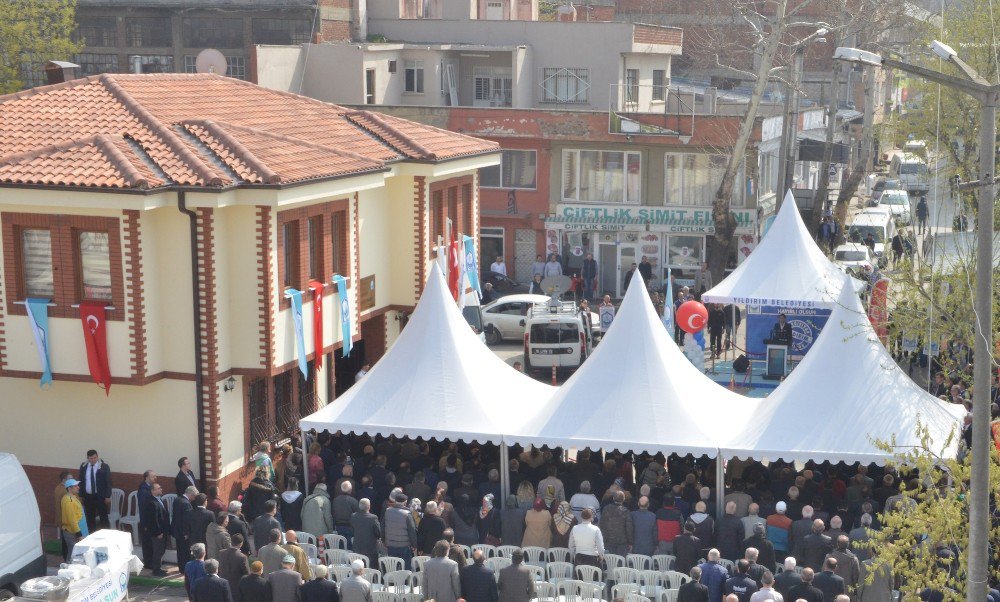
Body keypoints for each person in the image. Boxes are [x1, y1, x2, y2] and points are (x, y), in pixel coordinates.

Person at [79, 449, 112, 533]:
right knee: (90, 517)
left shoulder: (104, 466)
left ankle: (106, 535)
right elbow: (81, 481)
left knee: (103, 517)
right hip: (88, 496)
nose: (93, 460)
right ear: (87, 458)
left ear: (97, 456)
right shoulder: (84, 466)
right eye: (91, 458)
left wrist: (107, 496)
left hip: (100, 496)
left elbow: (108, 482)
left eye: (95, 458)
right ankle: (91, 535)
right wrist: (81, 495)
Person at [140, 482, 170, 576]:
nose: (161, 489)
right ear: (152, 491)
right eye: (158, 488)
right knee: (158, 550)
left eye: (160, 488)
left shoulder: (159, 499)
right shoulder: (151, 503)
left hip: (163, 531)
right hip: (158, 533)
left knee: (161, 550)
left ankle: (158, 567)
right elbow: (153, 520)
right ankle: (156, 570)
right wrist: (158, 533)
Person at [383, 492, 417, 569]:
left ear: (395, 501)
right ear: (405, 502)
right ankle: (405, 581)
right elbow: (412, 531)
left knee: (393, 567)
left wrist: (384, 540)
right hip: (404, 546)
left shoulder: (387, 511)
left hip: (390, 545)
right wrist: (414, 545)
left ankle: (392, 581)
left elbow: (383, 527)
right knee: (405, 568)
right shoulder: (407, 514)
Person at [349, 498, 382, 569]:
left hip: (357, 548)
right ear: (369, 506)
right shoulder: (373, 518)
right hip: (370, 549)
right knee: (372, 569)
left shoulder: (353, 516)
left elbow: (352, 529)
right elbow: (378, 533)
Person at [60, 478, 86, 560]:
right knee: (72, 554)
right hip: (72, 532)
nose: (78, 487)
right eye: (75, 486)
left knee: (75, 553)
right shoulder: (68, 501)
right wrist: (80, 535)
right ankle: (67, 570)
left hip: (75, 530)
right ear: (69, 488)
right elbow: (72, 520)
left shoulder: (72, 497)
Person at [600, 490, 633, 555]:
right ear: (624, 499)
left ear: (613, 498)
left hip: (609, 541)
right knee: (620, 563)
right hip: (622, 543)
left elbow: (602, 525)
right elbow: (629, 528)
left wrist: (603, 540)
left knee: (611, 562)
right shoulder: (626, 511)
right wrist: (631, 542)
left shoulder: (606, 509)